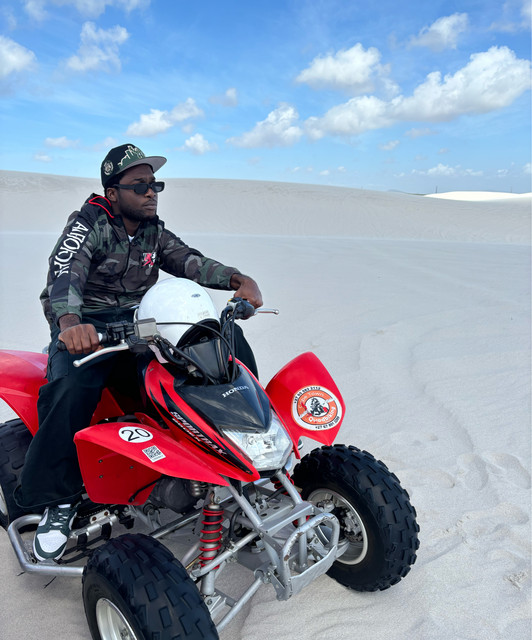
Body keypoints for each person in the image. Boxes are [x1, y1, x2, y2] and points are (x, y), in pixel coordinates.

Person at [14, 143, 262, 562]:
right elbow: (64, 274)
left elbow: (189, 261)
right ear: (113, 193)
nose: (151, 193)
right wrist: (70, 325)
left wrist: (239, 279)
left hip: (141, 323)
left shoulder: (152, 230)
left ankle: (244, 443)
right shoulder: (88, 224)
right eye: (140, 186)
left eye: (155, 185)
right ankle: (58, 500)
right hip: (88, 328)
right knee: (71, 388)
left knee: (221, 342)